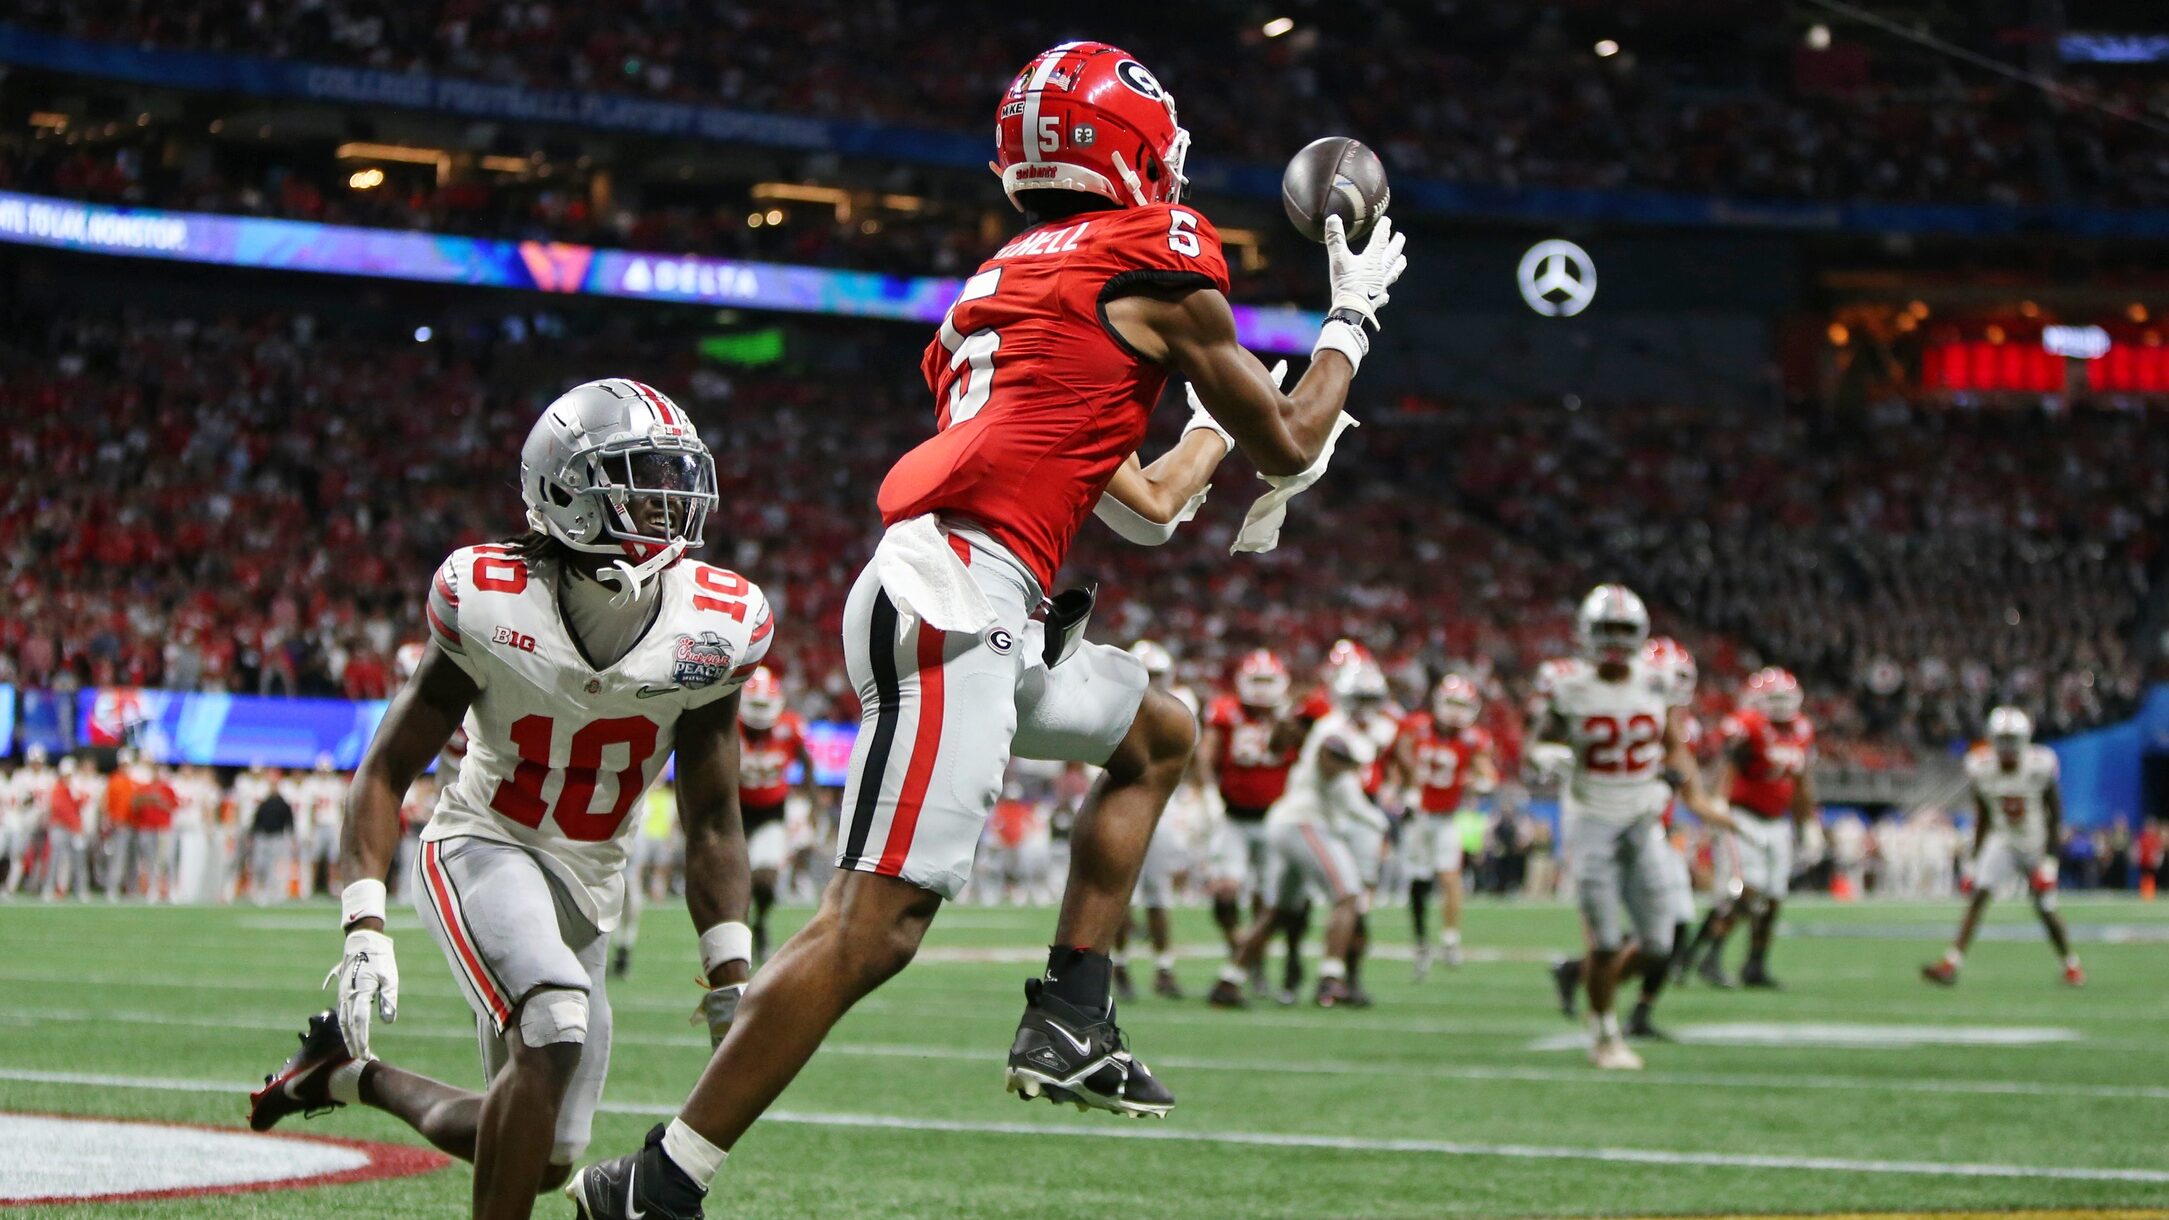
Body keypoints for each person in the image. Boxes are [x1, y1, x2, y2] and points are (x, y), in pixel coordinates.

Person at [564, 40, 1407, 1219]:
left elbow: (1155, 502)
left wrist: (1239, 404)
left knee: (1160, 730)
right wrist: (1350, 322)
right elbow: (1289, 440)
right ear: (1135, 146)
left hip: (986, 605)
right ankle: (657, 1181)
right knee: (873, 928)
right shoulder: (1151, 254)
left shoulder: (1012, 289)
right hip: (956, 606)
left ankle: (1073, 1009)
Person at [246, 379, 771, 1220]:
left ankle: (345, 1074)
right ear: (565, 492)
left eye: (674, 477)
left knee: (544, 1153)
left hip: (591, 879)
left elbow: (712, 817)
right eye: (638, 477)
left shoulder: (718, 624)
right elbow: (386, 769)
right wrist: (363, 921)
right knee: (554, 1022)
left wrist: (730, 973)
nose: (667, 502)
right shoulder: (487, 597)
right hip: (482, 843)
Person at [1530, 586, 1712, 1071]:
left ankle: (1581, 980)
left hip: (1642, 817)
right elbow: (1541, 740)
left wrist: (1668, 785)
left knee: (1659, 942)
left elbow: (1674, 745)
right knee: (1607, 940)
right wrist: (1547, 756)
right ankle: (1604, 1033)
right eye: (1604, 630)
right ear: (1586, 634)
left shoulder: (1656, 683)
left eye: (1622, 631)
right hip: (1590, 819)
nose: (1612, 641)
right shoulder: (1567, 685)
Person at [1215, 663, 1390, 1008]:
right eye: (1360, 699)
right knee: (1348, 895)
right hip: (1303, 821)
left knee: (1277, 910)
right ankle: (1331, 978)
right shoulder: (1336, 729)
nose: (1365, 707)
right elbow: (1332, 767)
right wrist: (1376, 818)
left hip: (1293, 821)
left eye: (1371, 700)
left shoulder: (1350, 730)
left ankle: (1228, 981)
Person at [1922, 707, 2084, 987]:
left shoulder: (2039, 764)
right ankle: (1951, 963)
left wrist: (2050, 859)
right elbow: (1983, 815)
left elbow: (2055, 813)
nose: (2008, 747)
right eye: (2003, 739)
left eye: (2013, 740)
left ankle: (2070, 964)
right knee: (1978, 897)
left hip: (2034, 841)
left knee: (2045, 908)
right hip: (2003, 840)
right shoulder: (1981, 767)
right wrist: (1974, 858)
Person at [1683, 667, 1817, 989]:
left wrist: (1807, 821)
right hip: (1742, 818)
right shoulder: (1749, 725)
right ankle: (1708, 957)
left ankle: (1754, 965)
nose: (1781, 706)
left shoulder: (1802, 730)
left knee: (1773, 897)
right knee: (1746, 890)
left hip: (1777, 821)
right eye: (1774, 698)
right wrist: (1718, 805)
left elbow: (1800, 781)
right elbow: (1728, 766)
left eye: (1785, 698)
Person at [1203, 649, 1321, 1001]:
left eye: (1268, 681)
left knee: (1279, 900)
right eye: (1256, 680)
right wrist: (1208, 791)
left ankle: (1289, 958)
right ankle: (1242, 950)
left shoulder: (1295, 716)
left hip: (1278, 819)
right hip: (1234, 816)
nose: (1262, 689)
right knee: (1225, 891)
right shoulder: (1226, 712)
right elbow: (1207, 754)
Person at [1392, 674, 1498, 978]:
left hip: (1446, 818)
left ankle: (1451, 939)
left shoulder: (1473, 739)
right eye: (1450, 703)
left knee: (1451, 876)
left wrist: (1482, 782)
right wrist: (1405, 788)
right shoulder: (1416, 726)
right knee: (1419, 883)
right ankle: (1421, 941)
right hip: (1418, 817)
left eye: (1461, 705)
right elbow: (1400, 754)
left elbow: (1487, 773)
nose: (1454, 711)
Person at [1115, 640, 1199, 1000]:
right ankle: (1117, 964)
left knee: (1158, 894)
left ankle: (1164, 967)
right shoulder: (1116, 702)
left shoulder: (1181, 705)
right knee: (1120, 892)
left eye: (1157, 675)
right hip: (1122, 800)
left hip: (1164, 805)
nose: (1151, 683)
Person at [733, 666, 820, 966]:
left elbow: (808, 765)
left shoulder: (789, 726)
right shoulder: (729, 726)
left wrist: (814, 806)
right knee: (733, 883)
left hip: (771, 811)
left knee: (766, 882)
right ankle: (735, 940)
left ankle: (761, 921)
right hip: (735, 812)